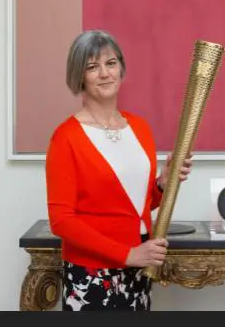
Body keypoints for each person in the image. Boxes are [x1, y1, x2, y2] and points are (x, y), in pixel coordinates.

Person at [45, 30, 193, 311]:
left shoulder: (140, 128)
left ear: (121, 68)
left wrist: (163, 182)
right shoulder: (65, 137)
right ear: (79, 76)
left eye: (111, 63)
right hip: (92, 274)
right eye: (92, 66)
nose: (104, 73)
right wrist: (128, 254)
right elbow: (61, 220)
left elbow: (137, 204)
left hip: (139, 266)